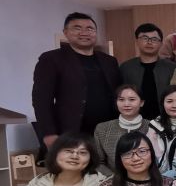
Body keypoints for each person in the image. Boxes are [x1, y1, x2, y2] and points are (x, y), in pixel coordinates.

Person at [32, 12, 122, 150]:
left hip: (108, 131)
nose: (84, 32)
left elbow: (118, 93)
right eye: (77, 28)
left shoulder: (109, 61)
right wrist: (49, 133)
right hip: (71, 132)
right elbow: (41, 100)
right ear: (66, 32)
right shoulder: (52, 59)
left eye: (90, 29)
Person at [119, 23, 176, 120]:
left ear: (161, 43)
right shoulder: (126, 68)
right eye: (145, 38)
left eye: (154, 39)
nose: (149, 42)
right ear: (137, 41)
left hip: (166, 120)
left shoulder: (173, 68)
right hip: (133, 120)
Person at [93, 85, 149, 174]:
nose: (126, 104)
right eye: (121, 100)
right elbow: (98, 162)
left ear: (141, 102)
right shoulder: (103, 128)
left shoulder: (153, 126)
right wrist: (113, 178)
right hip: (113, 178)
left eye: (132, 99)